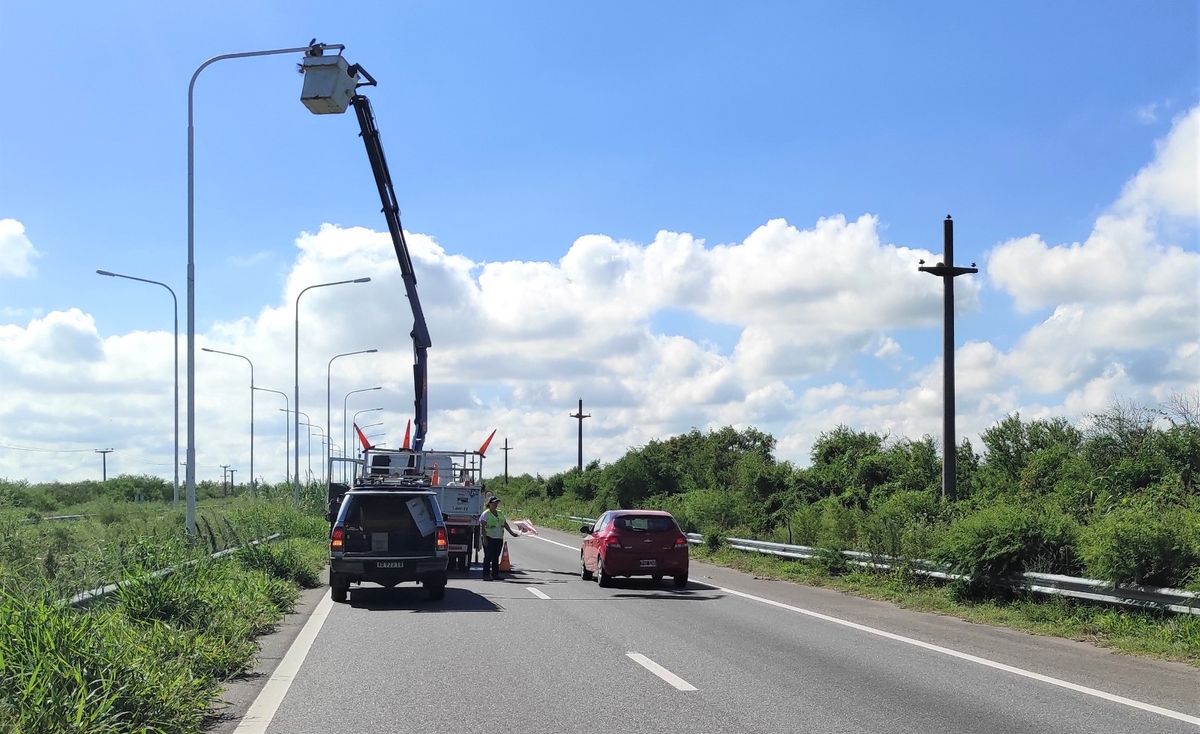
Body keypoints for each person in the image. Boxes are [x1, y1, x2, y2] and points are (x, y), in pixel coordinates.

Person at [479, 495, 518, 580]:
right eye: (494, 503)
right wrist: (484, 539)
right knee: (488, 557)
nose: (496, 504)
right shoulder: (485, 514)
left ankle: (495, 575)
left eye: (497, 503)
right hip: (489, 537)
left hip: (498, 538)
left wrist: (511, 533)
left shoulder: (499, 513)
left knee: (496, 557)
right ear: (489, 504)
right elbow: (482, 527)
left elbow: (504, 523)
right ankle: (486, 575)